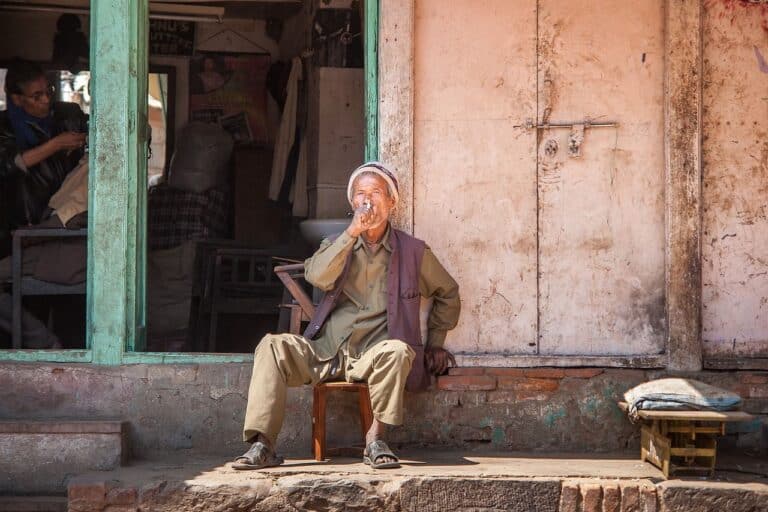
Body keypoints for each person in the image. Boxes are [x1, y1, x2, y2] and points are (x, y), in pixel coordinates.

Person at [235, 162, 461, 470]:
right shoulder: (339, 243)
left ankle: (376, 441)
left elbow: (447, 291)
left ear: (392, 202)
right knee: (272, 346)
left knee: (398, 351)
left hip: (374, 354)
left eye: (376, 193)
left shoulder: (413, 251)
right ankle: (262, 445)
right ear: (353, 203)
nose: (368, 201)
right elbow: (316, 275)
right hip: (327, 351)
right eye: (360, 194)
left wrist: (435, 342)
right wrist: (352, 233)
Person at [0, 58, 88, 348]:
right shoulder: (5, 127)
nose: (47, 100)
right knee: (25, 311)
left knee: (71, 314)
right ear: (16, 98)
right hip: (21, 229)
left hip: (63, 224)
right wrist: (56, 145)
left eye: (49, 91)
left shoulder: (68, 116)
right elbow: (9, 166)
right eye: (37, 96)